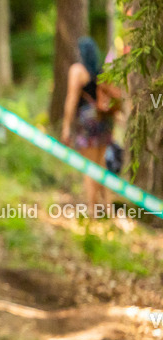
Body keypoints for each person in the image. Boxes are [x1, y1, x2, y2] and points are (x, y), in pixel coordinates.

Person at [62, 37, 120, 216]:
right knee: (101, 165)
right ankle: (108, 209)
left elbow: (72, 99)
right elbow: (116, 95)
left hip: (87, 122)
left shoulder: (77, 70)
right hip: (103, 121)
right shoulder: (101, 72)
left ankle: (93, 212)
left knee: (89, 167)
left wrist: (66, 126)